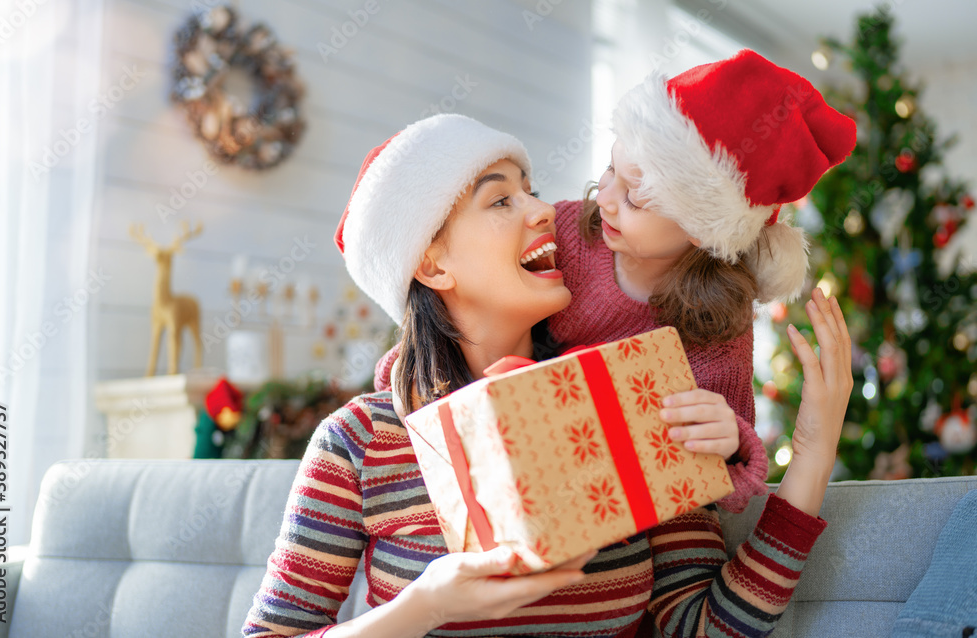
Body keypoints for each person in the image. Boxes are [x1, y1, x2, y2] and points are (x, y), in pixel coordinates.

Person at [242, 112, 854, 638]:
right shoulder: (359, 443)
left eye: (532, 191)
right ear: (432, 262)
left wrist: (812, 453)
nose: (545, 212)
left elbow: (704, 627)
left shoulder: (628, 399)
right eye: (502, 199)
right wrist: (422, 608)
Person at [373, 49, 857, 515]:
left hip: (604, 481)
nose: (605, 199)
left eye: (636, 199)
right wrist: (413, 372)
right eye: (610, 170)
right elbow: (450, 324)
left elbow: (720, 480)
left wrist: (729, 440)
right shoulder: (564, 231)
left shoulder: (717, 332)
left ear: (701, 229)